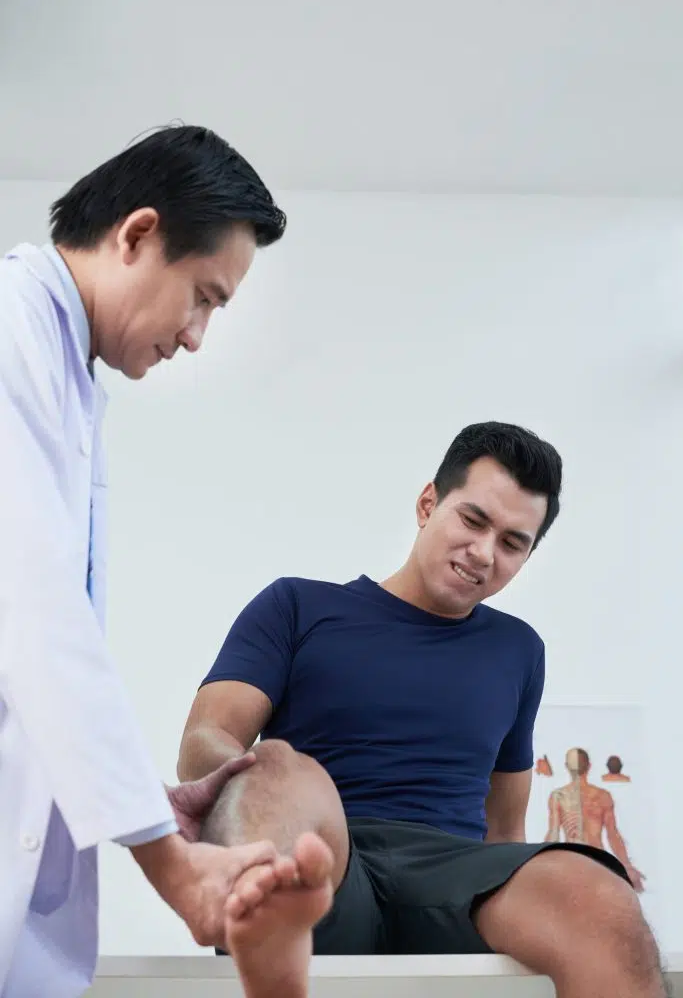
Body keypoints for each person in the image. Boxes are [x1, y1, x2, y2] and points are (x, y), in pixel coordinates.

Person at [0, 125, 333, 998]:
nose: (197, 337)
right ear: (138, 234)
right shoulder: (9, 333)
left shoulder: (67, 373)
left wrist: (150, 804)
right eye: (204, 298)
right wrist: (170, 867)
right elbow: (35, 616)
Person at [179, 422, 667, 998]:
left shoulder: (519, 651)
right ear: (428, 502)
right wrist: (253, 792)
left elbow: (504, 828)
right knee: (281, 767)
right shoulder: (298, 606)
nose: (484, 553)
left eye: (513, 543)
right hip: (327, 855)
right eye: (473, 520)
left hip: (451, 874)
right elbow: (206, 740)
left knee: (597, 891)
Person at [546, 748, 645, 891]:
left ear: (567, 767)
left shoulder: (558, 796)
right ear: (589, 766)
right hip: (598, 860)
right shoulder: (603, 796)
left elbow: (553, 834)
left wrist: (546, 865)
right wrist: (626, 865)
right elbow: (613, 835)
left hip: (572, 861)